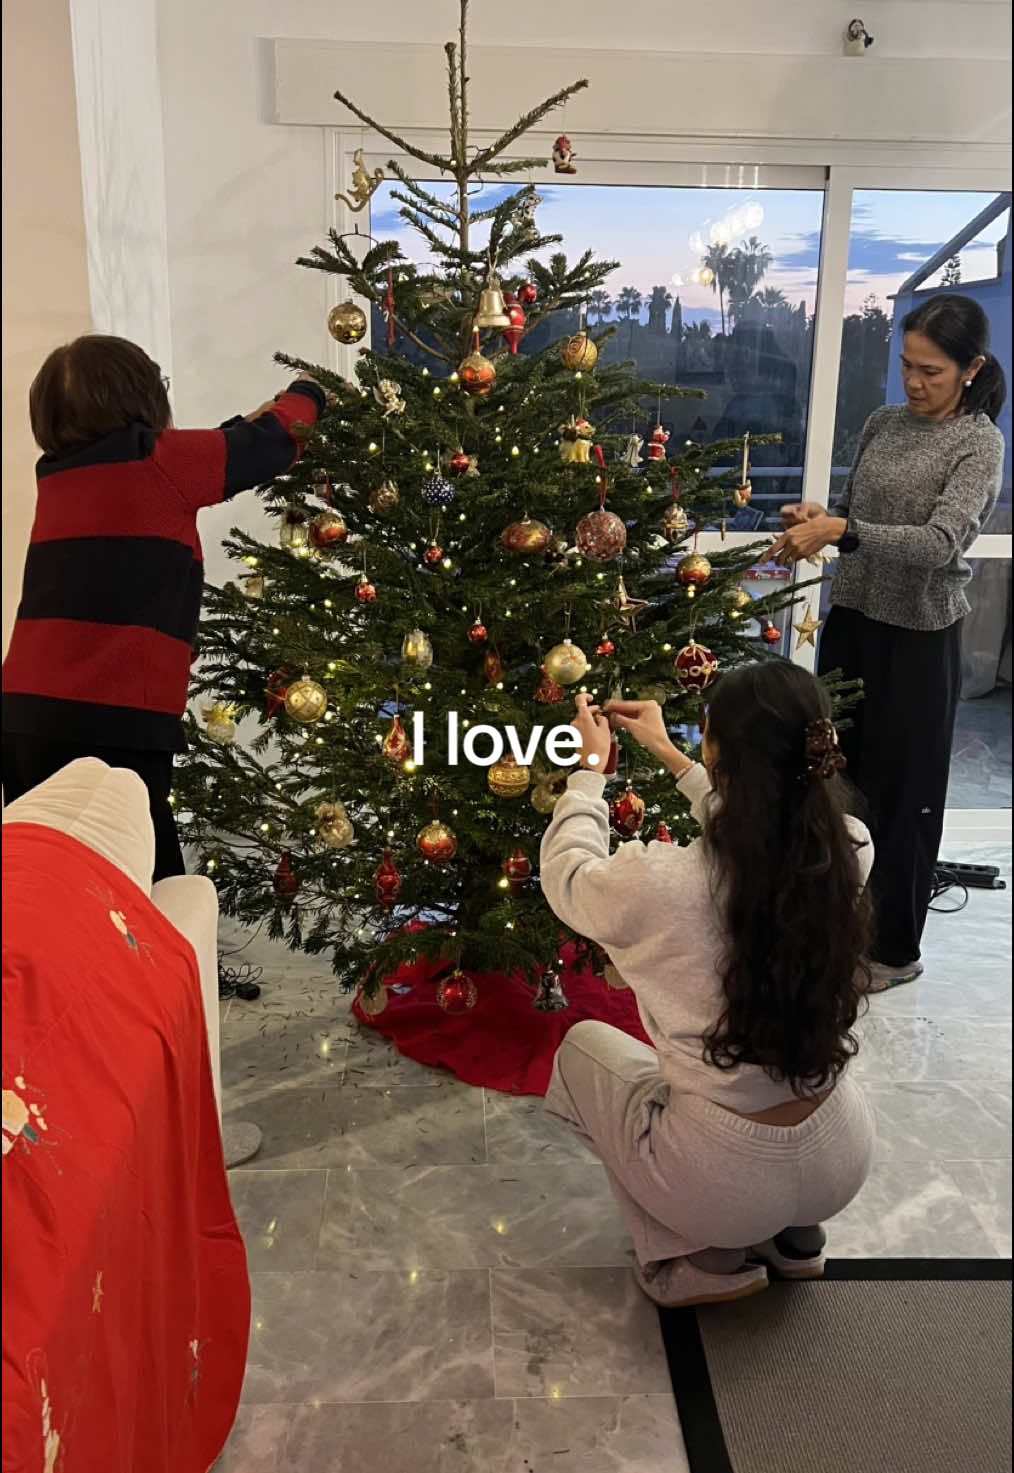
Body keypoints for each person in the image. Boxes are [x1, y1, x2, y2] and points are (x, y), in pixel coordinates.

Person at [539, 669, 875, 1309]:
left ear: (716, 752)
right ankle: (796, 1241)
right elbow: (762, 837)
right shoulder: (850, 851)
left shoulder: (663, 883)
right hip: (841, 1155)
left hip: (721, 1178)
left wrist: (587, 775)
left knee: (582, 1048)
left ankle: (698, 1259)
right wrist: (669, 755)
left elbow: (569, 875)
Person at [2, 333, 330, 884]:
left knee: (48, 874)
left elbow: (211, 452)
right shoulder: (159, 462)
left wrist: (239, 423)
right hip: (114, 722)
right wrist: (310, 390)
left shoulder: (60, 476)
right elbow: (272, 442)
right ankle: (162, 966)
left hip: (23, 716)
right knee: (140, 878)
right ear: (143, 399)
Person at [771, 294, 1006, 989]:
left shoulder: (979, 442)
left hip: (920, 638)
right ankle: (835, 930)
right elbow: (864, 517)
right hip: (852, 621)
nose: (913, 381)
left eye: (931, 370)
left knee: (905, 799)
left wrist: (844, 532)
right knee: (836, 781)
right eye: (906, 364)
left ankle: (895, 950)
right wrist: (826, 516)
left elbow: (939, 543)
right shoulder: (882, 423)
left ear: (972, 369)